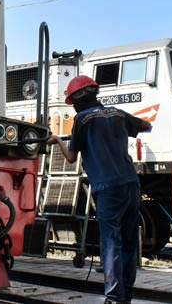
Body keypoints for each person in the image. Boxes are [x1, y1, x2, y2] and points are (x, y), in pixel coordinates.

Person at [47, 75, 151, 304]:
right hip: (131, 184)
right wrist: (126, 127)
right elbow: (147, 126)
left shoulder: (82, 120)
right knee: (129, 242)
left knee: (112, 242)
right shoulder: (118, 114)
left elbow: (72, 158)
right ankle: (126, 296)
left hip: (107, 188)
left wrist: (58, 140)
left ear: (76, 101)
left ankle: (114, 298)